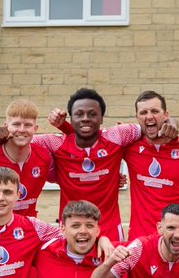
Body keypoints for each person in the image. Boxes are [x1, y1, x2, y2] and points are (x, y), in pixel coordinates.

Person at [47, 87, 153, 241]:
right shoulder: (55, 143)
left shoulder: (117, 136)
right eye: (79, 114)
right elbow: (22, 140)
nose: (85, 118)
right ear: (70, 118)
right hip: (72, 231)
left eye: (92, 114)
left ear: (102, 118)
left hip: (109, 230)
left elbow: (151, 128)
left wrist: (170, 122)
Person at [121, 90, 179, 243]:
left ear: (166, 115)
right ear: (137, 118)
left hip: (177, 240)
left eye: (155, 111)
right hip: (141, 241)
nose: (149, 116)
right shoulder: (129, 147)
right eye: (143, 112)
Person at [0, 99, 54, 217]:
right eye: (16, 124)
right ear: (6, 127)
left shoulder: (44, 156)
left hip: (27, 225)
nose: (21, 130)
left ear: (35, 128)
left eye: (27, 125)